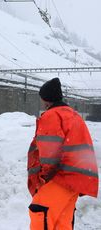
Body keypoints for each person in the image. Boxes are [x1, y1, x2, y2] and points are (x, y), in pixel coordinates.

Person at [27, 77, 98, 230]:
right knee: (61, 222)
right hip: (76, 180)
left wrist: (44, 177)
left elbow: (49, 153)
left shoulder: (52, 115)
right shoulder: (73, 115)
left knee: (40, 212)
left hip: (61, 178)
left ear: (46, 99)